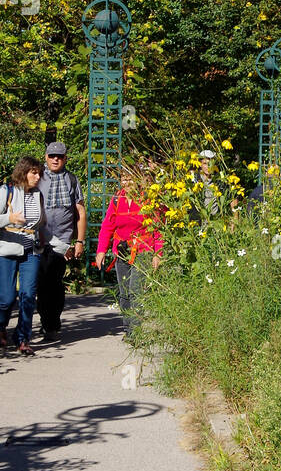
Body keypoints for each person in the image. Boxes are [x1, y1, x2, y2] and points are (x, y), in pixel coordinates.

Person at [94, 167, 164, 338]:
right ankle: (128, 328)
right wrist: (101, 250)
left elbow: (158, 229)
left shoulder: (149, 199)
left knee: (135, 291)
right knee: (124, 292)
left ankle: (136, 332)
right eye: (123, 179)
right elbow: (107, 226)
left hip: (143, 250)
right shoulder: (117, 199)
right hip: (122, 251)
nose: (126, 183)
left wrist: (158, 253)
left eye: (130, 179)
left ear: (139, 179)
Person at [0, 155, 50, 355]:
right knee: (6, 298)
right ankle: (1, 326)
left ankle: (22, 338)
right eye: (33, 172)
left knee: (28, 295)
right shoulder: (7, 191)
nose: (37, 177)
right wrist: (8, 218)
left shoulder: (38, 195)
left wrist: (44, 238)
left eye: (39, 173)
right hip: (7, 248)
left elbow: (40, 222)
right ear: (23, 172)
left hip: (32, 251)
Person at [37, 140, 86, 341]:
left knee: (54, 282)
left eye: (59, 156)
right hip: (39, 239)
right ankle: (46, 322)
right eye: (51, 156)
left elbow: (80, 212)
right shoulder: (37, 178)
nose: (55, 159)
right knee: (41, 283)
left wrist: (79, 241)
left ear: (65, 158)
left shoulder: (72, 180)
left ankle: (52, 324)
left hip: (63, 242)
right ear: (46, 157)